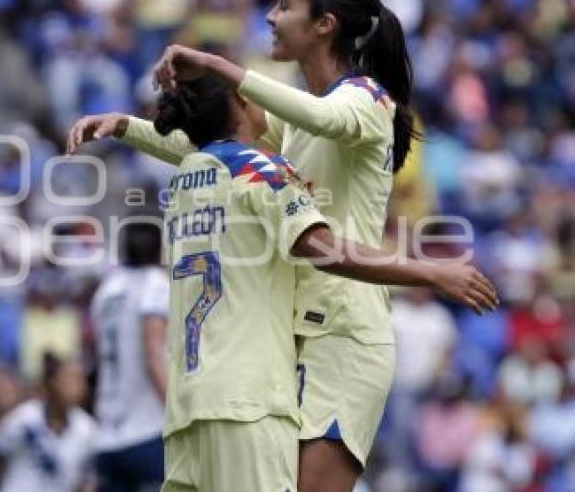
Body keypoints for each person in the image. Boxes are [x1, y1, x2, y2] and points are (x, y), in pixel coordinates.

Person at [67, 0, 422, 491]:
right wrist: (125, 127)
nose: (271, 16)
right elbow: (224, 149)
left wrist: (216, 63)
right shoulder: (298, 122)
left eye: (284, 5)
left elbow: (324, 122)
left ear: (324, 23)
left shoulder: (367, 99)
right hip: (292, 338)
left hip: (345, 337)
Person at [69, 73, 496, 491]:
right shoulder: (260, 170)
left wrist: (127, 127)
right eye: (253, 92)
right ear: (239, 104)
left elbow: (192, 149)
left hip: (186, 409)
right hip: (247, 402)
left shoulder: (185, 179)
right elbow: (324, 249)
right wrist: (431, 272)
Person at [91, 218, 168, 491]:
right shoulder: (157, 285)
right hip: (147, 430)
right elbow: (153, 352)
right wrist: (176, 410)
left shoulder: (106, 290)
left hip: (107, 433)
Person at [0, 352, 97, 492]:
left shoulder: (87, 429)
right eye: (70, 379)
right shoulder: (22, 419)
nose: (79, 387)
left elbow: (86, 480)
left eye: (81, 380)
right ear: (52, 382)